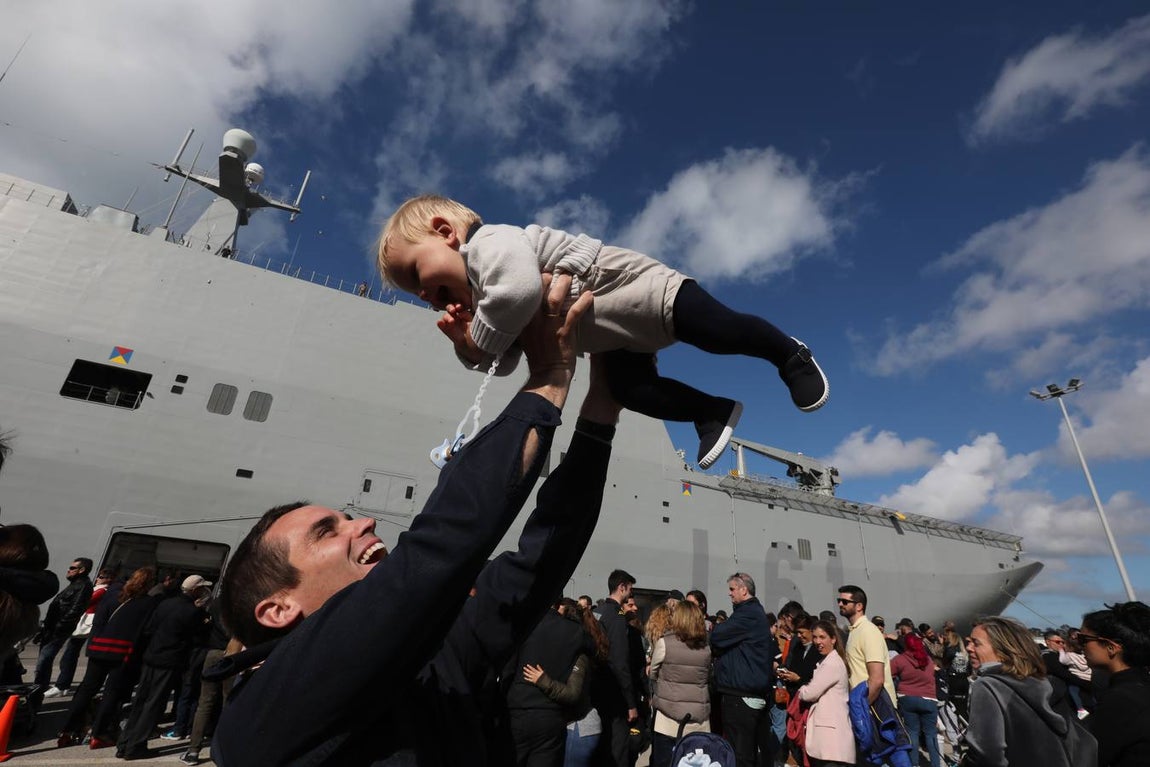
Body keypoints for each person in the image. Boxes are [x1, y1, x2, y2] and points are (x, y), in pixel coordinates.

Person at [213, 284, 626, 765]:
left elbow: (538, 566)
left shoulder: (436, 654)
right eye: (327, 531)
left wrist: (601, 410)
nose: (363, 523)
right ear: (278, 609)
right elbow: (440, 548)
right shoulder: (266, 711)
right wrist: (551, 375)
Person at [376, 195, 829, 469]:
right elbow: (506, 359)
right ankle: (710, 411)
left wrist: (476, 340)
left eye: (416, 275)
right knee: (630, 390)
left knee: (719, 331)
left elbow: (517, 291)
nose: (422, 294)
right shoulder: (485, 303)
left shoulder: (489, 245)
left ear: (445, 232)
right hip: (611, 336)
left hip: (628, 285)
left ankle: (788, 354)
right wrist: (466, 346)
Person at [960, 616, 1096, 767]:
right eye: (969, 642)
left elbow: (986, 753)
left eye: (976, 643)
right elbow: (1084, 741)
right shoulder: (1043, 682)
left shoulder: (988, 686)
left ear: (1002, 649)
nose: (968, 648)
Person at [56, 566, 159, 750]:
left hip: (99, 647)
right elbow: (146, 631)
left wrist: (92, 645)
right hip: (123, 652)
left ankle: (67, 730)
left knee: (86, 689)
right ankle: (99, 733)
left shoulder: (112, 595)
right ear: (149, 584)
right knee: (112, 693)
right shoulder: (149, 603)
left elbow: (98, 621)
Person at [506, 600, 592, 767]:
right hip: (550, 714)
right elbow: (592, 645)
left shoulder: (524, 625)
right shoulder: (574, 631)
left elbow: (507, 669)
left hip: (517, 708)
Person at [711, 572, 774, 767]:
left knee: (741, 754)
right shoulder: (749, 613)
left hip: (741, 696)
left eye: (732, 589)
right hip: (743, 693)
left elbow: (718, 636)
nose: (729, 594)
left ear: (743, 590)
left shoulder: (748, 614)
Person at [1079, 601, 1150, 766]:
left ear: (1111, 647)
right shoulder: (1140, 687)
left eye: (1084, 639)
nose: (1080, 645)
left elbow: (1089, 758)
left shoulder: (1121, 699)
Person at [648, 600, 711, 767]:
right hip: (699, 721)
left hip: (668, 721)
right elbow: (707, 677)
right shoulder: (705, 648)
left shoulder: (665, 643)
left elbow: (653, 673)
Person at [593, 568, 641, 767]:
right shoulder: (617, 616)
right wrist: (630, 702)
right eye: (630, 589)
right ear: (622, 587)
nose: (631, 594)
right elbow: (620, 662)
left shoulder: (598, 612)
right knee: (617, 750)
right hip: (614, 694)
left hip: (596, 689)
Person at [45, 566, 115, 698]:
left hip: (86, 625)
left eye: (100, 577)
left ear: (108, 579)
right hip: (83, 623)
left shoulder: (102, 591)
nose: (97, 579)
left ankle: (62, 685)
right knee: (70, 654)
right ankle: (63, 684)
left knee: (70, 654)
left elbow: (86, 601)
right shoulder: (98, 589)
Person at [797, 619, 855, 767]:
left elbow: (810, 693)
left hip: (831, 739)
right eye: (815, 637)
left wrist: (801, 689)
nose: (817, 641)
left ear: (833, 639)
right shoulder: (829, 661)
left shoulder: (832, 663)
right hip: (831, 738)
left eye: (822, 637)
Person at [34, 556, 93, 694]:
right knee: (44, 661)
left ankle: (38, 690)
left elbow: (75, 610)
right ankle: (38, 688)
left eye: (72, 568)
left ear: (82, 570)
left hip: (57, 630)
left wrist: (59, 627)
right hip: (52, 629)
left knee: (44, 660)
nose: (68, 570)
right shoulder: (75, 584)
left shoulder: (83, 585)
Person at [836, 585, 895, 704]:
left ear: (859, 606)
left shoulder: (868, 631)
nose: (840, 604)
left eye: (845, 601)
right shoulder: (855, 631)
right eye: (839, 601)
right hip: (863, 703)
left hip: (876, 707)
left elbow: (877, 679)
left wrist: (862, 706)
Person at [890, 632, 940, 767]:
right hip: (929, 699)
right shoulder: (928, 660)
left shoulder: (899, 659)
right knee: (931, 735)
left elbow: (888, 674)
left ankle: (914, 764)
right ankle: (936, 764)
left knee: (912, 732)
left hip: (908, 698)